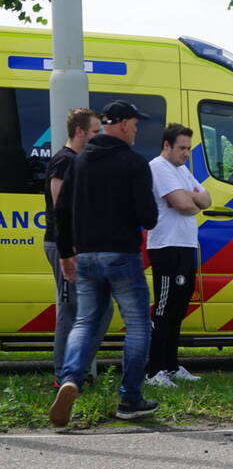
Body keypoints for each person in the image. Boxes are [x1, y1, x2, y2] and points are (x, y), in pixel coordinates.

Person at [49, 100, 160, 426]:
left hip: (85, 257)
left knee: (85, 322)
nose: (137, 130)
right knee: (138, 326)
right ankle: (130, 399)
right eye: (136, 124)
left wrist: (67, 254)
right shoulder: (133, 162)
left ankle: (70, 378)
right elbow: (148, 218)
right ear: (123, 124)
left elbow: (61, 211)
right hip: (121, 256)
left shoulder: (80, 161)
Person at [42, 109, 113, 383]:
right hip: (66, 248)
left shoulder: (81, 161)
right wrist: (67, 253)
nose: (99, 136)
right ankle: (65, 375)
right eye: (95, 131)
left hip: (85, 247)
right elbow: (62, 212)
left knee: (103, 308)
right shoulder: (63, 161)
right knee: (70, 310)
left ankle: (77, 368)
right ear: (80, 131)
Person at [145, 124, 211, 387]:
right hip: (166, 246)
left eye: (188, 148)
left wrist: (191, 200)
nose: (186, 153)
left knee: (178, 309)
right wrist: (190, 200)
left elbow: (206, 200)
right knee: (163, 310)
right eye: (181, 148)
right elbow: (185, 204)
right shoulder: (159, 167)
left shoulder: (181, 170)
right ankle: (153, 371)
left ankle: (171, 366)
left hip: (185, 245)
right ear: (166, 146)